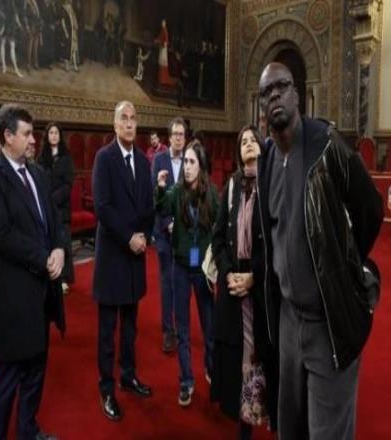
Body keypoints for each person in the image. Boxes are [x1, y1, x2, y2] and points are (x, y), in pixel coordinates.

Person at [257, 62, 383, 439]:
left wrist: (346, 268)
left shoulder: (326, 144)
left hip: (328, 321)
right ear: (261, 105)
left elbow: (370, 208)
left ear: (296, 95)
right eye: (266, 92)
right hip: (288, 320)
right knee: (290, 427)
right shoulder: (266, 158)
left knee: (328, 432)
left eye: (281, 87)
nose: (275, 96)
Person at [0, 103, 65, 440]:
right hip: (13, 297)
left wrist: (59, 248)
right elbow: (1, 235)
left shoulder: (38, 173)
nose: (33, 140)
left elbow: (54, 220)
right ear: (7, 136)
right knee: (8, 377)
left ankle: (28, 431)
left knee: (36, 370)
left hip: (43, 293)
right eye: (27, 133)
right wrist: (44, 257)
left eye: (33, 133)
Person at [211, 125, 278, 439]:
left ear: (262, 147)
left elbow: (279, 243)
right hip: (233, 286)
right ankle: (243, 428)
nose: (249, 144)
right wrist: (228, 274)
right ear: (239, 153)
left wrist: (254, 277)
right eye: (243, 142)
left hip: (261, 287)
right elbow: (218, 238)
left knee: (260, 358)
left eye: (253, 140)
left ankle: (267, 418)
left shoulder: (273, 185)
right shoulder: (231, 187)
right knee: (238, 360)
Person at [92, 100, 155, 422]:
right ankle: (107, 389)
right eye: (124, 119)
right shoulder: (104, 158)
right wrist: (129, 236)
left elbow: (148, 205)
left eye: (133, 118)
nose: (129, 124)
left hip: (135, 257)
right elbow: (102, 207)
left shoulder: (143, 161)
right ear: (115, 125)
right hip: (113, 256)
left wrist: (144, 236)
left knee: (130, 328)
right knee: (107, 332)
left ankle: (128, 377)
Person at [155, 140, 219, 407]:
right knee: (182, 329)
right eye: (186, 162)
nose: (188, 167)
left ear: (201, 166)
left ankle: (211, 369)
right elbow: (161, 208)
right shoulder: (176, 191)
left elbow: (220, 226)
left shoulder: (212, 193)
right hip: (180, 267)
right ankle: (186, 381)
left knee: (209, 328)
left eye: (193, 162)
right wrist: (160, 188)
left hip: (202, 270)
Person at [151, 118, 186, 353]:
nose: (178, 138)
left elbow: (195, 197)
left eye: (182, 135)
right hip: (163, 233)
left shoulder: (191, 159)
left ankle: (182, 327)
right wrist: (168, 223)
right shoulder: (159, 160)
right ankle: (168, 331)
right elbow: (155, 196)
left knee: (184, 281)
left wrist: (181, 223)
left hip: (185, 235)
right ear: (169, 137)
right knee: (166, 282)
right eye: (175, 134)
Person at [38, 122, 75, 294]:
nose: (53, 135)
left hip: (61, 207)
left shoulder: (66, 158)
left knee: (63, 243)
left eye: (56, 133)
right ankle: (51, 276)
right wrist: (46, 200)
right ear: (47, 136)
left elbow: (68, 184)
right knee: (48, 243)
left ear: (60, 136)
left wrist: (53, 199)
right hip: (45, 208)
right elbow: (38, 180)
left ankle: (64, 279)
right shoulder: (41, 158)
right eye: (51, 133)